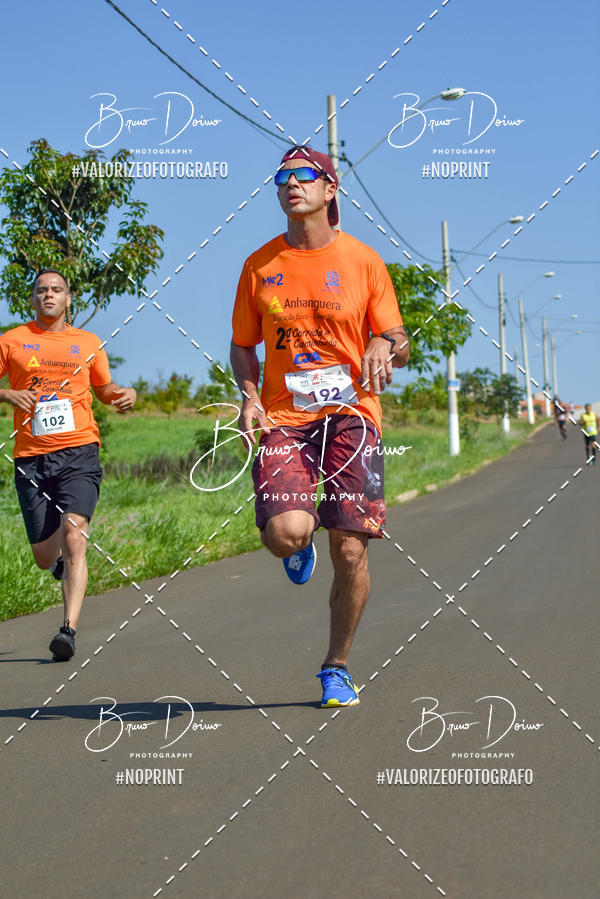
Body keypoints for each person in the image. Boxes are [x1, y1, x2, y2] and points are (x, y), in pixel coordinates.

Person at [230, 146, 409, 708]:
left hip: (354, 417)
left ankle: (336, 667)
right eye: (281, 176)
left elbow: (400, 341)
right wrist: (250, 395)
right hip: (286, 419)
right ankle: (296, 542)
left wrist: (385, 341)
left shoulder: (363, 261)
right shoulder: (260, 265)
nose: (291, 184)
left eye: (304, 176)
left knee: (351, 550)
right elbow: (242, 345)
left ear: (330, 190)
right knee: (286, 533)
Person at [0, 269, 136, 661]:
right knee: (45, 555)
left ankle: (68, 631)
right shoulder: (13, 341)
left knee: (75, 536)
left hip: (79, 452)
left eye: (56, 290)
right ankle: (57, 563)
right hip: (31, 458)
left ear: (68, 298)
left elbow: (104, 388)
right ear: (32, 300)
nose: (49, 295)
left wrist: (124, 394)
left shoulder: (88, 342)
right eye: (41, 290)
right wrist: (9, 393)